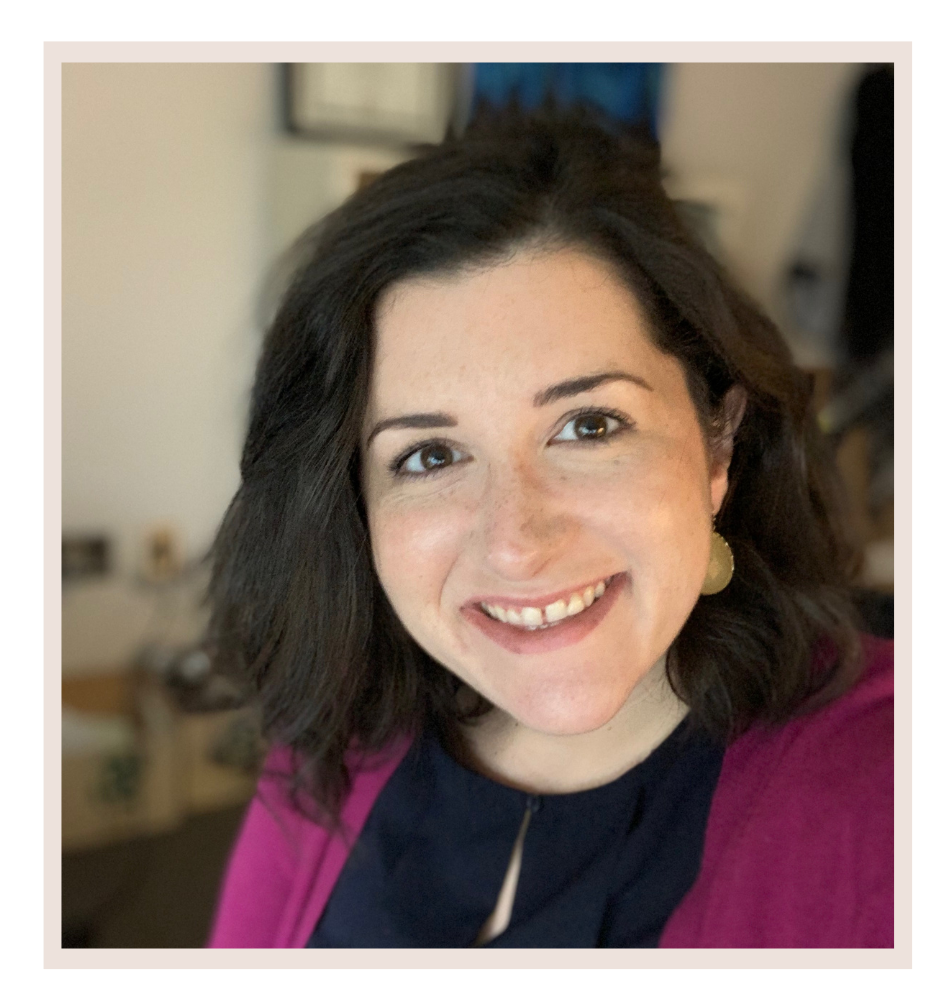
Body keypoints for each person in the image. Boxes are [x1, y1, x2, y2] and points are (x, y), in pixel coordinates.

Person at [206, 109, 893, 948]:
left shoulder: (892, 789)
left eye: (590, 426)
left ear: (719, 445)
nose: (516, 541)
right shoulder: (327, 746)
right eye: (428, 455)